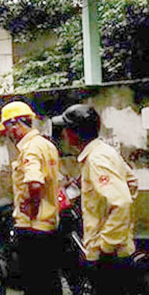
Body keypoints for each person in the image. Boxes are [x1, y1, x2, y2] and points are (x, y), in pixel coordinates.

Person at [52, 104, 138, 295]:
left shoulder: (97, 159)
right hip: (117, 251)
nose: (63, 133)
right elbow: (131, 181)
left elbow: (121, 202)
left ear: (75, 132)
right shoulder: (103, 151)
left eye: (66, 128)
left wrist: (106, 246)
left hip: (109, 257)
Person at [0, 101, 62, 295]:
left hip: (33, 228)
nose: (7, 133)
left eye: (7, 127)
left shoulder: (30, 149)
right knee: (50, 282)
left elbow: (34, 183)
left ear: (15, 124)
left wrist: (32, 211)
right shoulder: (46, 145)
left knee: (34, 284)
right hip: (49, 224)